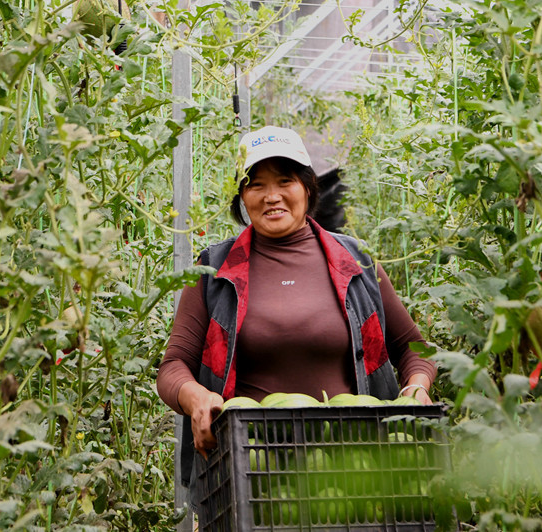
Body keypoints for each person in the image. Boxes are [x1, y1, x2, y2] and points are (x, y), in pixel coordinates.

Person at [156, 125, 437, 501]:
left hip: (355, 470)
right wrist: (195, 397)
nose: (271, 196)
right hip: (253, 476)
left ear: (307, 187)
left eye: (285, 180)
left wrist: (416, 387)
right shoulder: (214, 270)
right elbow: (174, 366)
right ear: (241, 196)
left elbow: (414, 349)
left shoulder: (354, 262)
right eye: (256, 184)